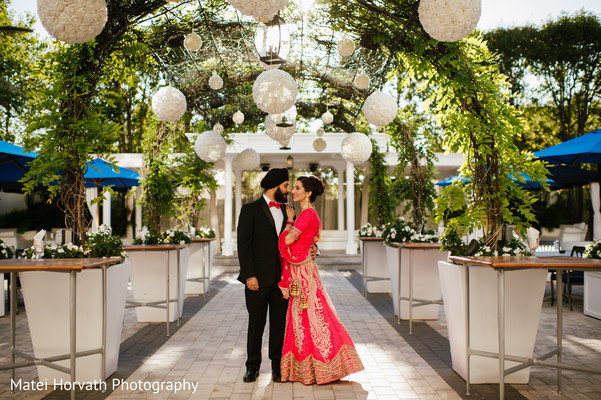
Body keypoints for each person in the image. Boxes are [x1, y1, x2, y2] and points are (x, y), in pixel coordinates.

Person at [278, 175, 364, 384]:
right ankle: (311, 368)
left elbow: (287, 240)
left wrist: (289, 220)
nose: (293, 191)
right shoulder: (309, 214)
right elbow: (310, 241)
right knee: (306, 319)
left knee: (312, 318)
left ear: (308, 193)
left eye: (298, 188)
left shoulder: (306, 215)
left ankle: (324, 364)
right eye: (294, 187)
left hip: (303, 274)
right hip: (305, 271)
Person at [237, 168, 291, 383]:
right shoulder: (250, 210)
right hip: (257, 280)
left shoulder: (288, 211)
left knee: (279, 325)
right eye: (286, 186)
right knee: (256, 325)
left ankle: (277, 368)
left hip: (282, 280)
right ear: (274, 187)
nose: (288, 190)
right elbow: (244, 245)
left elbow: (297, 239)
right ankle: (252, 367)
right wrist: (249, 275)